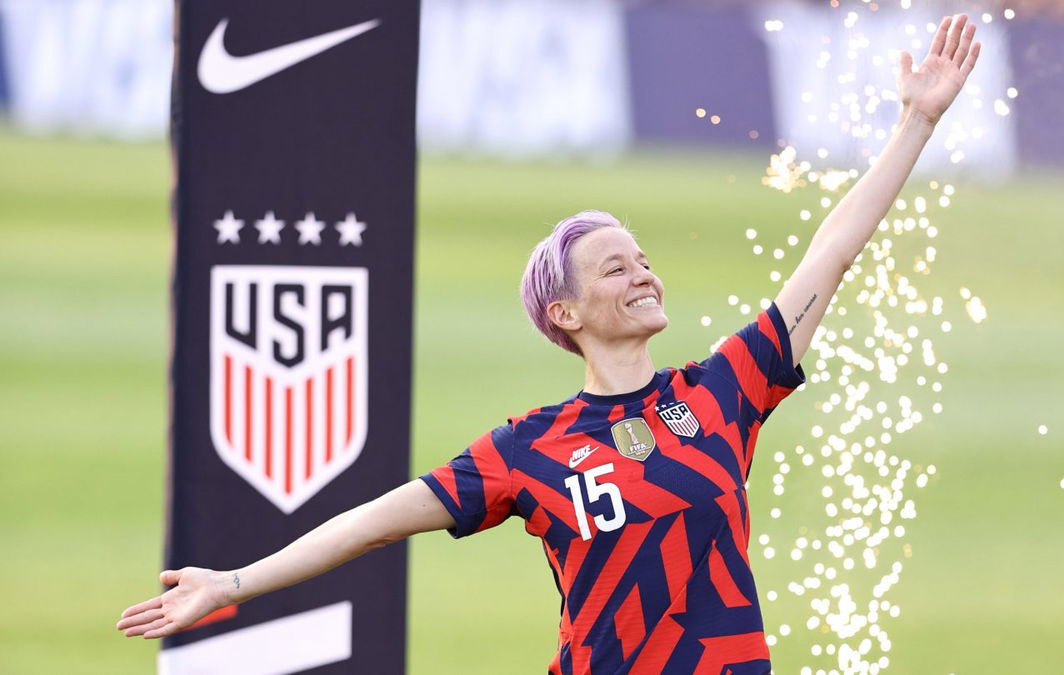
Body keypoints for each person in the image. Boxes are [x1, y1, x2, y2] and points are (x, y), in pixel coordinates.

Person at [119, 15, 981, 674]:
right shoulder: (527, 448)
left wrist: (915, 123)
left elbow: (831, 252)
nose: (643, 275)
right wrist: (230, 584)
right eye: (614, 268)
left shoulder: (725, 389)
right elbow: (370, 523)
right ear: (565, 314)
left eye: (643, 259)